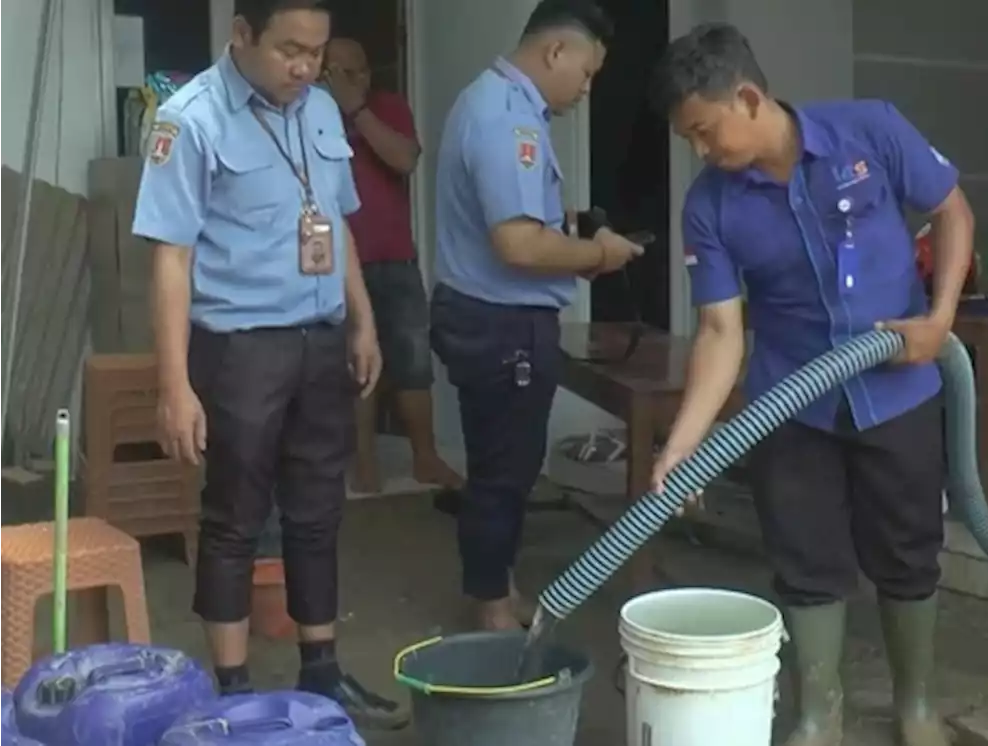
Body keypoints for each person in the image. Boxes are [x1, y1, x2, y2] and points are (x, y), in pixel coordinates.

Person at [650, 23, 975, 746]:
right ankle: (817, 715)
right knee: (805, 561)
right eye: (689, 141)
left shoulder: (871, 131)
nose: (701, 153)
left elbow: (951, 209)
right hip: (790, 409)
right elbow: (719, 332)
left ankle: (916, 707)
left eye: (705, 132)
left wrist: (939, 317)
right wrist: (682, 445)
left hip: (901, 388)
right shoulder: (711, 205)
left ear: (747, 96)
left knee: (909, 550)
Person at [132, 0, 405, 730]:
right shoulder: (190, 120)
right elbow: (171, 258)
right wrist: (174, 385)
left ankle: (323, 674)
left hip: (320, 338)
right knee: (234, 520)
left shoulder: (317, 109)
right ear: (241, 34)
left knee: (318, 512)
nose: (305, 67)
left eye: (315, 51)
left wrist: (362, 319)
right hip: (239, 347)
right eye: (289, 49)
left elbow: (337, 221)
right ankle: (231, 693)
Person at [431, 0, 643, 631]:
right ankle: (492, 612)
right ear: (556, 51)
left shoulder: (500, 105)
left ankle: (496, 590)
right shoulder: (506, 120)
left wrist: (574, 239)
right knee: (506, 472)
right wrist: (599, 255)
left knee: (502, 464)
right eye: (586, 73)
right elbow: (519, 245)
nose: (585, 89)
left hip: (489, 317)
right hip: (502, 325)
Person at [323, 36, 464, 496]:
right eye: (343, 72)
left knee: (412, 362)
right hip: (339, 266)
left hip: (396, 259)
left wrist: (359, 110)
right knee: (356, 366)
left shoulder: (387, 106)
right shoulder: (310, 113)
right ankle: (364, 464)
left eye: (361, 70)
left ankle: (425, 458)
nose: (356, 80)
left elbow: (405, 159)